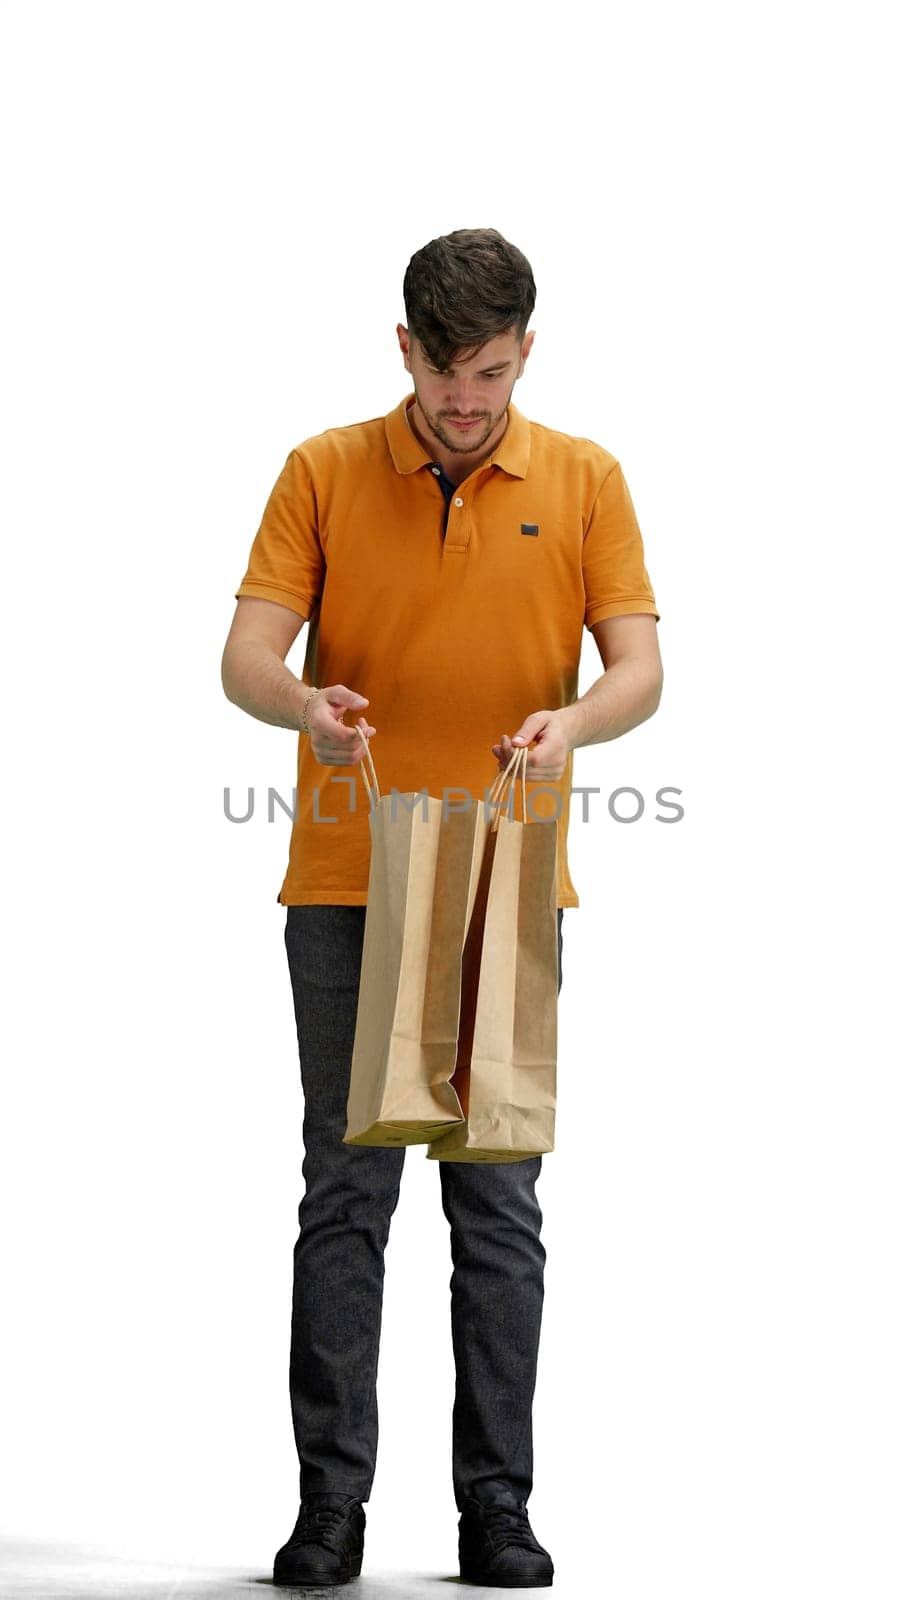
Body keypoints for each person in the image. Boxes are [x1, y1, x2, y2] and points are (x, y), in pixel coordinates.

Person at [221, 227, 663, 1588]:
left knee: (498, 1205)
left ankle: (498, 1513)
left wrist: (575, 722)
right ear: (399, 348)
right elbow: (245, 654)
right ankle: (330, 1514)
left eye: (493, 372)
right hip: (350, 884)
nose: (468, 402)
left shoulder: (586, 479)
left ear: (525, 352)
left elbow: (641, 666)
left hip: (508, 880)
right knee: (348, 1199)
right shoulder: (323, 469)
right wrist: (306, 704)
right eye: (445, 372)